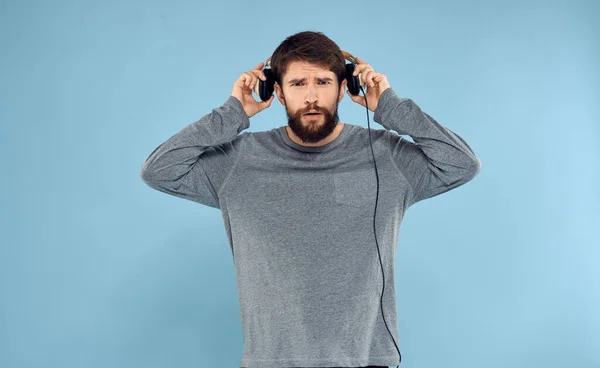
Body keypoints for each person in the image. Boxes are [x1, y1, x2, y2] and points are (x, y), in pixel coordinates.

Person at [140, 30, 482, 368]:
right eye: (298, 84)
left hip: (366, 362)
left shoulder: (388, 157)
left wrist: (391, 107)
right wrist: (232, 113)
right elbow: (159, 170)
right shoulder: (239, 161)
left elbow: (462, 164)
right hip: (271, 364)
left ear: (345, 87)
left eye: (323, 82)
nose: (311, 97)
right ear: (277, 91)